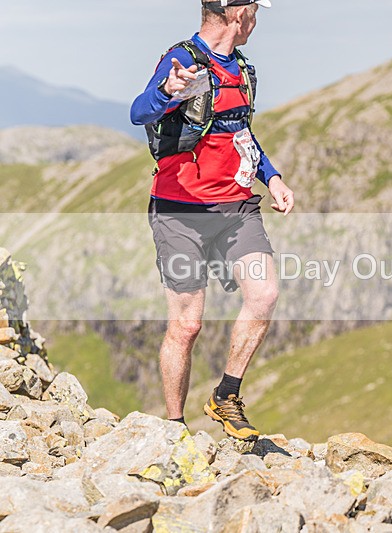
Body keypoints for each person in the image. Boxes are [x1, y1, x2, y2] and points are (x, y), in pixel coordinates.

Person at [130, 0, 294, 440]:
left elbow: (241, 131)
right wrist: (168, 90)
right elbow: (138, 112)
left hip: (236, 208)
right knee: (186, 325)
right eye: (255, 12)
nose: (257, 21)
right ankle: (174, 428)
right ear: (238, 14)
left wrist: (272, 176)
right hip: (180, 212)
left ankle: (226, 395)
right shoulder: (182, 58)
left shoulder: (241, 67)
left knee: (264, 294)